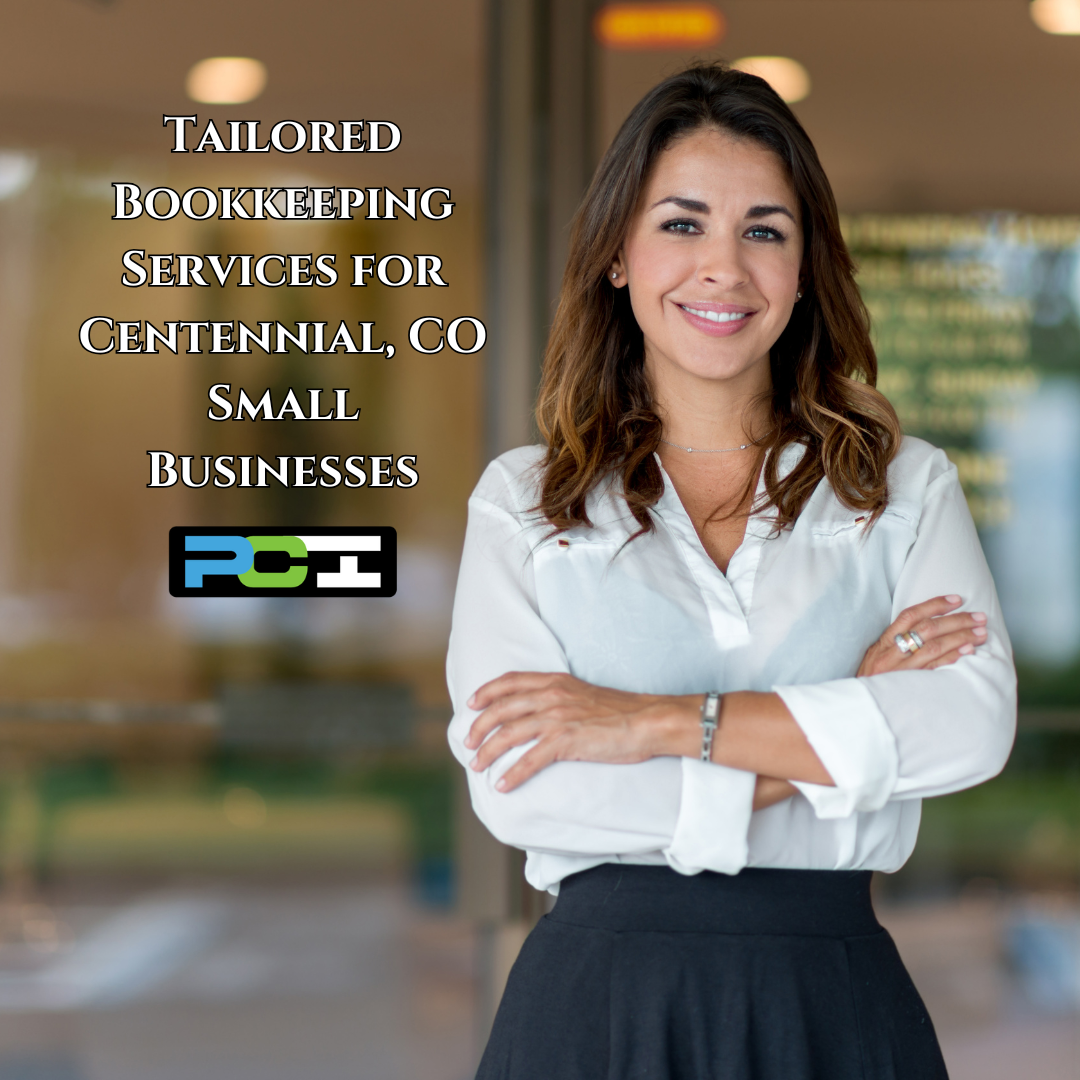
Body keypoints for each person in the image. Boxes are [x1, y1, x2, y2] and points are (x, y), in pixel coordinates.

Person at [447, 63, 1016, 1080]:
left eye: (764, 230)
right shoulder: (525, 500)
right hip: (596, 1006)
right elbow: (524, 789)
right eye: (680, 224)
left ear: (803, 271)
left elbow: (966, 726)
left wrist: (649, 723)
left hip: (830, 999)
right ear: (619, 255)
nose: (724, 267)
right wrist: (843, 728)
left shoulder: (902, 487)